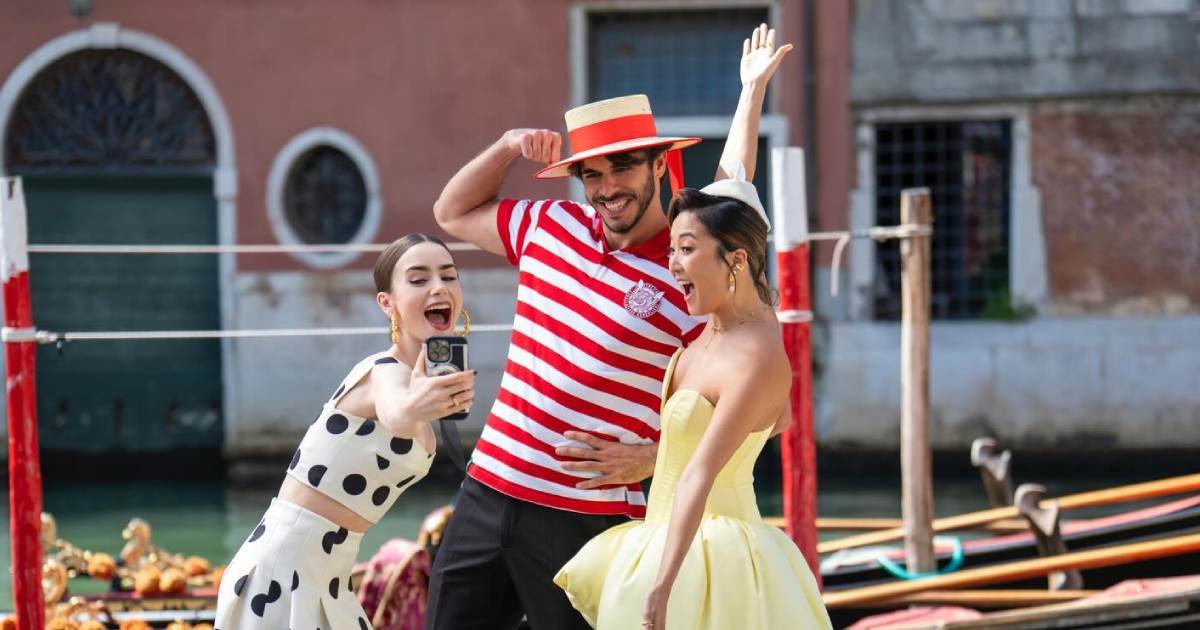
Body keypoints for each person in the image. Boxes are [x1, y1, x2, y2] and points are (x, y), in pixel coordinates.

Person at [427, 23, 792, 630]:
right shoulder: (548, 224)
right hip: (488, 488)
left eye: (622, 167)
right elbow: (451, 211)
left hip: (588, 517)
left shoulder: (689, 271)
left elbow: (770, 412)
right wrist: (508, 146)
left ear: (660, 165)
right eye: (592, 174)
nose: (607, 187)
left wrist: (655, 457)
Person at [553, 177, 832, 629]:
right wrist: (751, 113)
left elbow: (698, 474)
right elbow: (778, 419)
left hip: (709, 559)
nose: (673, 265)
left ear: (737, 260)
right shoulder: (712, 329)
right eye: (671, 250)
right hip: (658, 537)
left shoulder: (756, 352)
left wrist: (662, 585)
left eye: (686, 250)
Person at [213, 234, 475, 629]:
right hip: (282, 573)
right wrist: (413, 407)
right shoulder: (382, 371)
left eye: (448, 276)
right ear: (387, 303)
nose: (438, 287)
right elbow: (396, 413)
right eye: (419, 279)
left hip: (330, 578)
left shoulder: (417, 382)